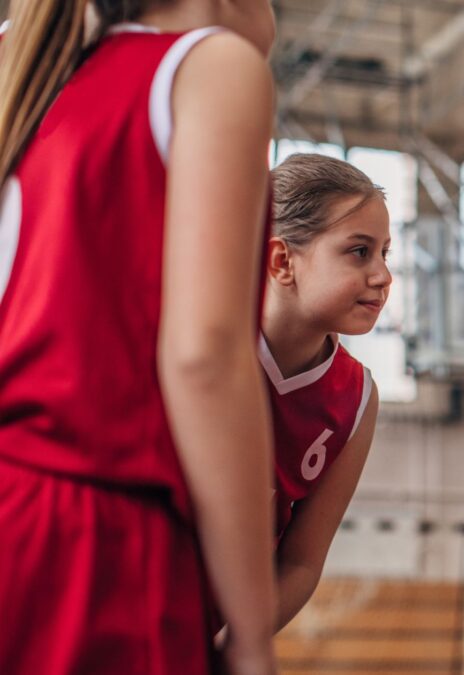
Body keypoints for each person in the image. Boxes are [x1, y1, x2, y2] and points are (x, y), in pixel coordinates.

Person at [0, 1, 278, 674]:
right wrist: (250, 631)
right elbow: (203, 357)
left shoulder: (22, 59)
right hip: (81, 529)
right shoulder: (207, 68)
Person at [260, 153, 388, 631]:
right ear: (281, 260)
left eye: (385, 253)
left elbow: (301, 564)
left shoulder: (356, 398)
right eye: (359, 251)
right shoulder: (204, 344)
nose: (383, 275)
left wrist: (233, 644)